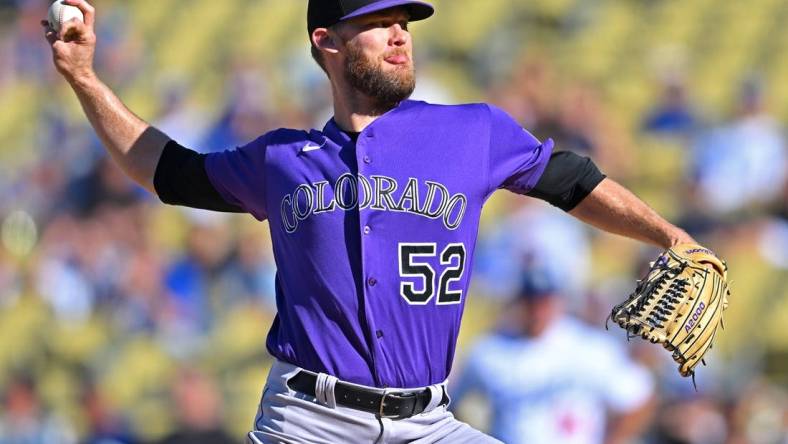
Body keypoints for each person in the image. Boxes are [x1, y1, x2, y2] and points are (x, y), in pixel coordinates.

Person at [43, 0, 697, 442]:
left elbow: (572, 179)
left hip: (428, 421)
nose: (399, 33)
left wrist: (671, 237)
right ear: (325, 42)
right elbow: (167, 171)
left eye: (403, 21)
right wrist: (83, 78)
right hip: (307, 420)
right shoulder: (282, 158)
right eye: (377, 21)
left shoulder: (471, 131)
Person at [451, 269, 655, 444]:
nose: (538, 311)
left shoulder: (589, 348)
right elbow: (454, 404)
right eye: (531, 302)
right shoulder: (489, 351)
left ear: (559, 302)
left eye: (545, 302)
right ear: (519, 304)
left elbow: (638, 398)